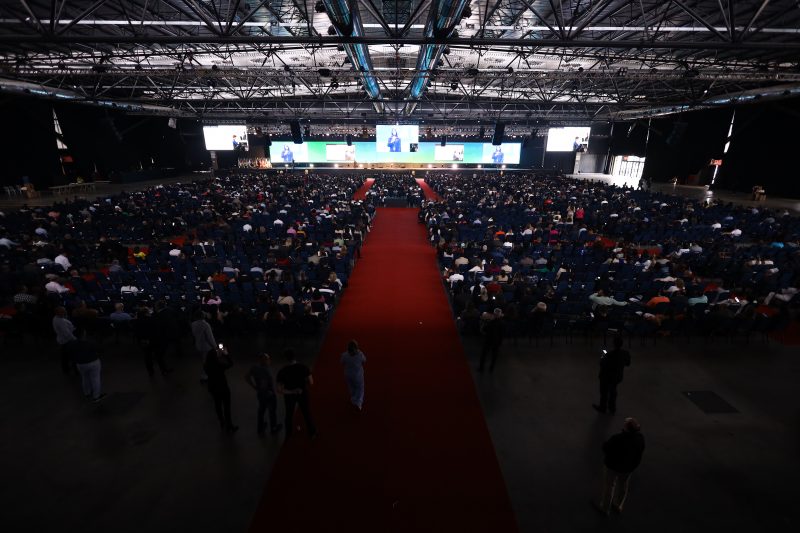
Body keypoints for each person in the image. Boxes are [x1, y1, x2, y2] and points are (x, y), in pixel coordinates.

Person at [595, 417, 646, 515]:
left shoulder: (617, 438)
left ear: (626, 428)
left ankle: (605, 508)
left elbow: (606, 448)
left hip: (613, 467)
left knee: (609, 486)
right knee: (623, 486)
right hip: (628, 468)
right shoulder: (640, 438)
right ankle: (618, 505)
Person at [276, 348, 317, 439]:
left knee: (289, 415)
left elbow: (279, 389)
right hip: (302, 393)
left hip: (289, 396)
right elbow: (311, 382)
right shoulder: (303, 367)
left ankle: (289, 433)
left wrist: (291, 391)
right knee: (306, 413)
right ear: (295, 357)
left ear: (286, 358)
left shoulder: (282, 371)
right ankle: (312, 432)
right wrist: (301, 388)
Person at [245, 353, 283, 435]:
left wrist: (254, 386)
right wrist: (268, 392)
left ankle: (260, 428)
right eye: (268, 359)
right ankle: (273, 428)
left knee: (261, 411)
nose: (270, 361)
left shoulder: (254, 368)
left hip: (260, 393)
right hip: (268, 394)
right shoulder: (265, 370)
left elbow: (247, 376)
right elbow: (264, 383)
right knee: (272, 411)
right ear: (265, 361)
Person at [593, 337, 631, 415]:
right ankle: (612, 408)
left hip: (606, 377)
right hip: (617, 376)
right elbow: (628, 363)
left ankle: (603, 407)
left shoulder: (609, 354)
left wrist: (603, 356)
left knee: (604, 392)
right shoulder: (626, 353)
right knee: (613, 391)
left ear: (613, 344)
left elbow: (601, 364)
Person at [204, 346, 238, 433]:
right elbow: (231, 364)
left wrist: (217, 355)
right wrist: (226, 354)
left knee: (217, 405)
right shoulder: (219, 365)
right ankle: (229, 425)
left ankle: (222, 422)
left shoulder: (206, 365)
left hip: (213, 388)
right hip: (223, 388)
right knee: (227, 407)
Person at [191, 310, 217, 383]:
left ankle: (206, 375)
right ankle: (204, 376)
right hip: (207, 347)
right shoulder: (206, 325)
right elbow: (210, 338)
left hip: (198, 345)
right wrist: (215, 347)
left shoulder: (193, 324)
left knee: (204, 360)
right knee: (207, 362)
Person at [340, 340, 366, 410]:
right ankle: (359, 402)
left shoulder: (344, 355)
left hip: (348, 374)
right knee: (360, 388)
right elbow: (364, 360)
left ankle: (353, 398)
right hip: (358, 375)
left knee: (351, 386)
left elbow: (341, 362)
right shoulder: (360, 354)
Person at [478, 308, 505, 373]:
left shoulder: (490, 322)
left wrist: (484, 322)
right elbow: (502, 334)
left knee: (484, 354)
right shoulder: (502, 323)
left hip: (488, 340)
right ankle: (491, 368)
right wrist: (500, 342)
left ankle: (481, 368)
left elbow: (483, 330)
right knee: (494, 355)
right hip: (496, 341)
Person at [52, 306, 77, 374]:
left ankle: (66, 369)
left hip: (62, 340)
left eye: (64, 310)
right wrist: (75, 339)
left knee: (65, 357)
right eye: (63, 311)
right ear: (58, 312)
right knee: (71, 356)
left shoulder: (56, 318)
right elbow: (67, 334)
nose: (65, 311)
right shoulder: (60, 321)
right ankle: (74, 370)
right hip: (67, 341)